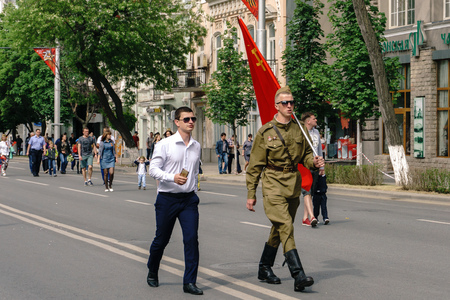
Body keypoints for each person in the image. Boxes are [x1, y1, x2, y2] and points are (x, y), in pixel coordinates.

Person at [246, 86, 324, 292]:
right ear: (276, 106)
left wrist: (313, 162)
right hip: (272, 183)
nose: (289, 106)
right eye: (285, 103)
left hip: (293, 183)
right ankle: (298, 274)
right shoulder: (265, 132)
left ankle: (264, 267)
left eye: (292, 103)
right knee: (287, 227)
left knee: (280, 227)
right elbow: (254, 166)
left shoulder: (299, 129)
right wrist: (251, 194)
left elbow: (306, 155)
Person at [146, 106, 203, 295]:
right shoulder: (165, 144)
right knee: (161, 240)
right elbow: (152, 170)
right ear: (177, 122)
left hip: (188, 200)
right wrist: (172, 177)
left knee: (191, 240)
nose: (191, 122)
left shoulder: (196, 146)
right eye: (186, 119)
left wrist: (192, 190)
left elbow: (194, 172)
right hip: (167, 199)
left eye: (193, 118)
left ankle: (189, 282)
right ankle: (153, 269)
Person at [300, 112, 324, 228]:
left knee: (310, 192)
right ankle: (312, 216)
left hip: (315, 165)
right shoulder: (301, 132)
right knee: (306, 191)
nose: (316, 120)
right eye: (314, 119)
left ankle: (305, 217)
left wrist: (321, 166)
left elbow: (319, 150)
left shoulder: (316, 133)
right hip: (304, 165)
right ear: (308, 121)